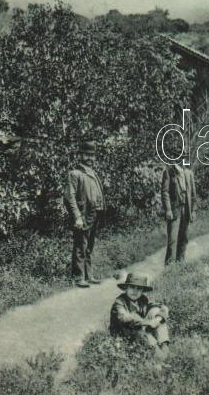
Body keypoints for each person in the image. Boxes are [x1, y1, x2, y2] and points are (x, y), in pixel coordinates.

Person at [64, 141, 105, 288]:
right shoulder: (75, 174)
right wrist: (77, 217)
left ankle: (89, 276)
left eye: (92, 155)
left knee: (89, 247)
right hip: (83, 215)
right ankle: (78, 277)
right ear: (80, 155)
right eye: (87, 155)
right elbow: (69, 197)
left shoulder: (93, 173)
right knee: (80, 246)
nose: (90, 158)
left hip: (95, 214)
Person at [109, 272, 171, 356]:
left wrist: (157, 319)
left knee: (156, 311)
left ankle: (164, 346)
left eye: (139, 289)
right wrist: (147, 322)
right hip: (124, 335)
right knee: (140, 331)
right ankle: (159, 355)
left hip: (140, 329)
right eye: (132, 287)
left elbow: (162, 307)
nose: (135, 291)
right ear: (126, 288)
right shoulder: (119, 302)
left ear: (142, 291)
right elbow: (124, 318)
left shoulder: (142, 299)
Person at [161, 151, 196, 265]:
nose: (183, 160)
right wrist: (168, 209)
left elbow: (193, 194)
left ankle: (180, 263)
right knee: (172, 239)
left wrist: (193, 210)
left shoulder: (188, 173)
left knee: (184, 237)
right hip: (175, 209)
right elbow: (165, 192)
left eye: (184, 157)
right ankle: (169, 266)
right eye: (181, 157)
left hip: (186, 209)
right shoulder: (169, 172)